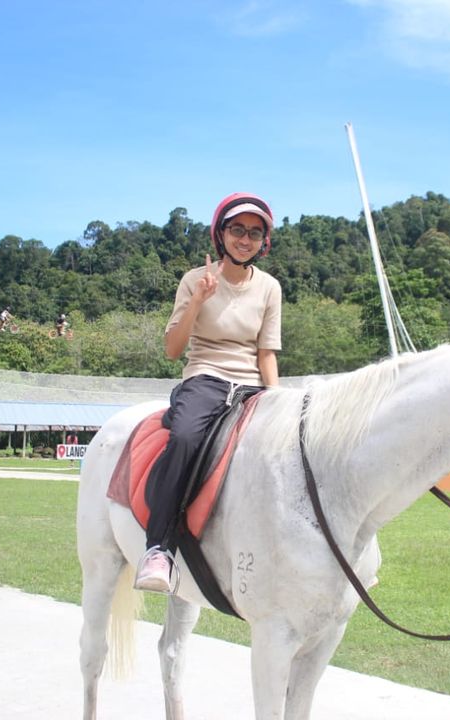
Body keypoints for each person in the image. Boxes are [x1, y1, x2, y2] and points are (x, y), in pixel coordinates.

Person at [134, 192, 282, 593]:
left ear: (263, 241)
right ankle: (158, 550)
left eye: (254, 232)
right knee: (183, 438)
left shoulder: (270, 288)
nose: (245, 238)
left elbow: (266, 353)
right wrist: (199, 299)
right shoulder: (193, 281)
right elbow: (172, 350)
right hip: (205, 378)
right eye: (237, 229)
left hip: (251, 384)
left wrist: (278, 401)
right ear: (221, 234)